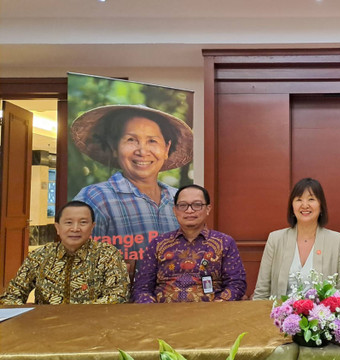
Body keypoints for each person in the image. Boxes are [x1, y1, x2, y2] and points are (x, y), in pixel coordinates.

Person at [72, 105, 193, 273]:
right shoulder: (94, 199)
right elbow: (78, 268)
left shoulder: (180, 200)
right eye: (131, 140)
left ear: (166, 149)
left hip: (179, 297)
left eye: (152, 141)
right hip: (122, 299)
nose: (142, 151)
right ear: (114, 148)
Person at [132, 184, 246, 302]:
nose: (189, 210)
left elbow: (236, 284)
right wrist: (151, 309)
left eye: (197, 205)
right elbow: (141, 287)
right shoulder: (158, 244)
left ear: (208, 209)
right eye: (183, 205)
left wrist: (219, 304)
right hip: (163, 315)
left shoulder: (225, 242)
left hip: (211, 315)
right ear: (175, 210)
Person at [0, 201, 129, 305]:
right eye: (68, 223)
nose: (75, 228)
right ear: (57, 227)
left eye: (83, 222)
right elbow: (12, 294)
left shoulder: (107, 254)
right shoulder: (40, 256)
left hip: (93, 326)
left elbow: (118, 296)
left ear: (92, 227)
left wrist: (76, 316)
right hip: (45, 326)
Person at [253, 178, 340, 299]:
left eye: (311, 199)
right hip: (282, 316)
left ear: (321, 206)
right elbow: (261, 292)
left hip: (323, 316)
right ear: (292, 206)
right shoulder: (275, 239)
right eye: (299, 200)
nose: (304, 205)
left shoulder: (337, 241)